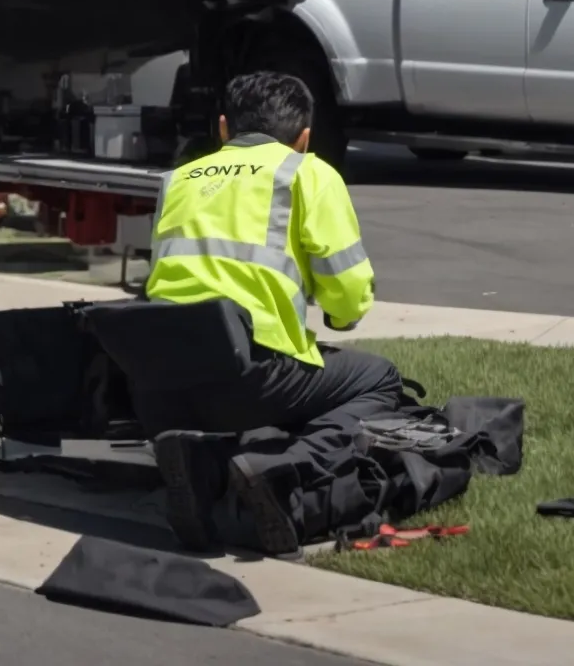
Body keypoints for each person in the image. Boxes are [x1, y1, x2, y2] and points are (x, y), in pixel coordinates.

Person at [142, 70, 403, 557]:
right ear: (304, 138)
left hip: (162, 385)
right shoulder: (306, 172)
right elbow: (346, 291)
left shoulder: (176, 180)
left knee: (255, 378)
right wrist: (343, 318)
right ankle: (283, 468)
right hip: (251, 376)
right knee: (379, 379)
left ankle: (200, 459)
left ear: (223, 129)